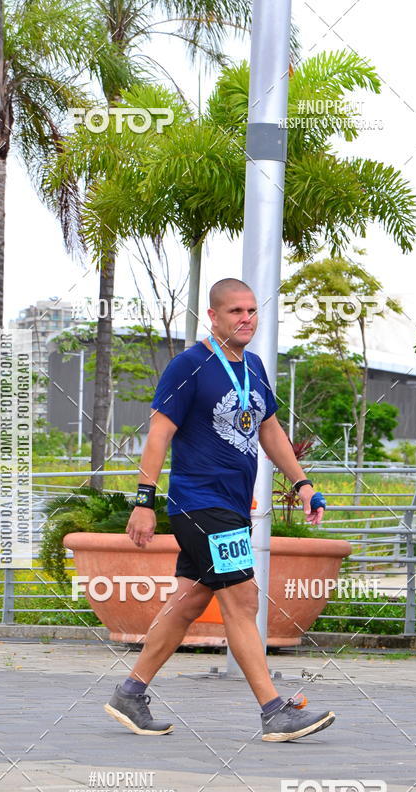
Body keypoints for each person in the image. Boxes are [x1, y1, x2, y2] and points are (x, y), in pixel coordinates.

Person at [104, 278, 334, 742]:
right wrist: (143, 502)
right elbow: (158, 436)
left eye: (252, 311)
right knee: (243, 598)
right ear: (213, 316)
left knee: (189, 601)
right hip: (200, 504)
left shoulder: (253, 367)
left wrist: (304, 485)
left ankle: (130, 693)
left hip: (230, 507)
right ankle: (274, 710)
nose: (246, 319)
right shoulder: (189, 366)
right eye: (235, 311)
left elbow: (270, 432)